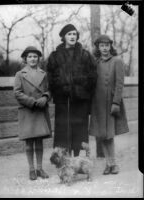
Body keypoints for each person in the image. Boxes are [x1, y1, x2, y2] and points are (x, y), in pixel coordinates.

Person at [46, 24, 97, 157]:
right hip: (63, 101)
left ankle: (78, 160)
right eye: (69, 34)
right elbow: (50, 77)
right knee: (63, 130)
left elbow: (92, 77)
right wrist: (61, 88)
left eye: (74, 34)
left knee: (79, 130)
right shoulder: (55, 56)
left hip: (81, 100)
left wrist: (81, 87)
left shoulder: (85, 55)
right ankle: (64, 159)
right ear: (63, 37)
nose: (72, 36)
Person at [90, 35, 129, 175]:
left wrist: (116, 102)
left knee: (109, 135)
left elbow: (120, 83)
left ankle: (113, 164)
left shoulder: (116, 61)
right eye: (102, 46)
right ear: (98, 47)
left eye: (107, 45)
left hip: (111, 103)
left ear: (110, 47)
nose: (104, 48)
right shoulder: (95, 62)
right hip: (98, 104)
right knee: (101, 135)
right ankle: (108, 163)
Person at [14, 46, 52, 180]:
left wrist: (45, 97)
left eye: (35, 56)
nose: (32, 59)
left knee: (39, 141)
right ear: (25, 59)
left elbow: (49, 90)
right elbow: (17, 93)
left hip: (40, 110)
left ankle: (40, 168)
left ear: (38, 59)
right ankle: (31, 169)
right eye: (30, 56)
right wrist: (31, 101)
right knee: (29, 142)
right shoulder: (20, 74)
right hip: (28, 110)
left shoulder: (44, 74)